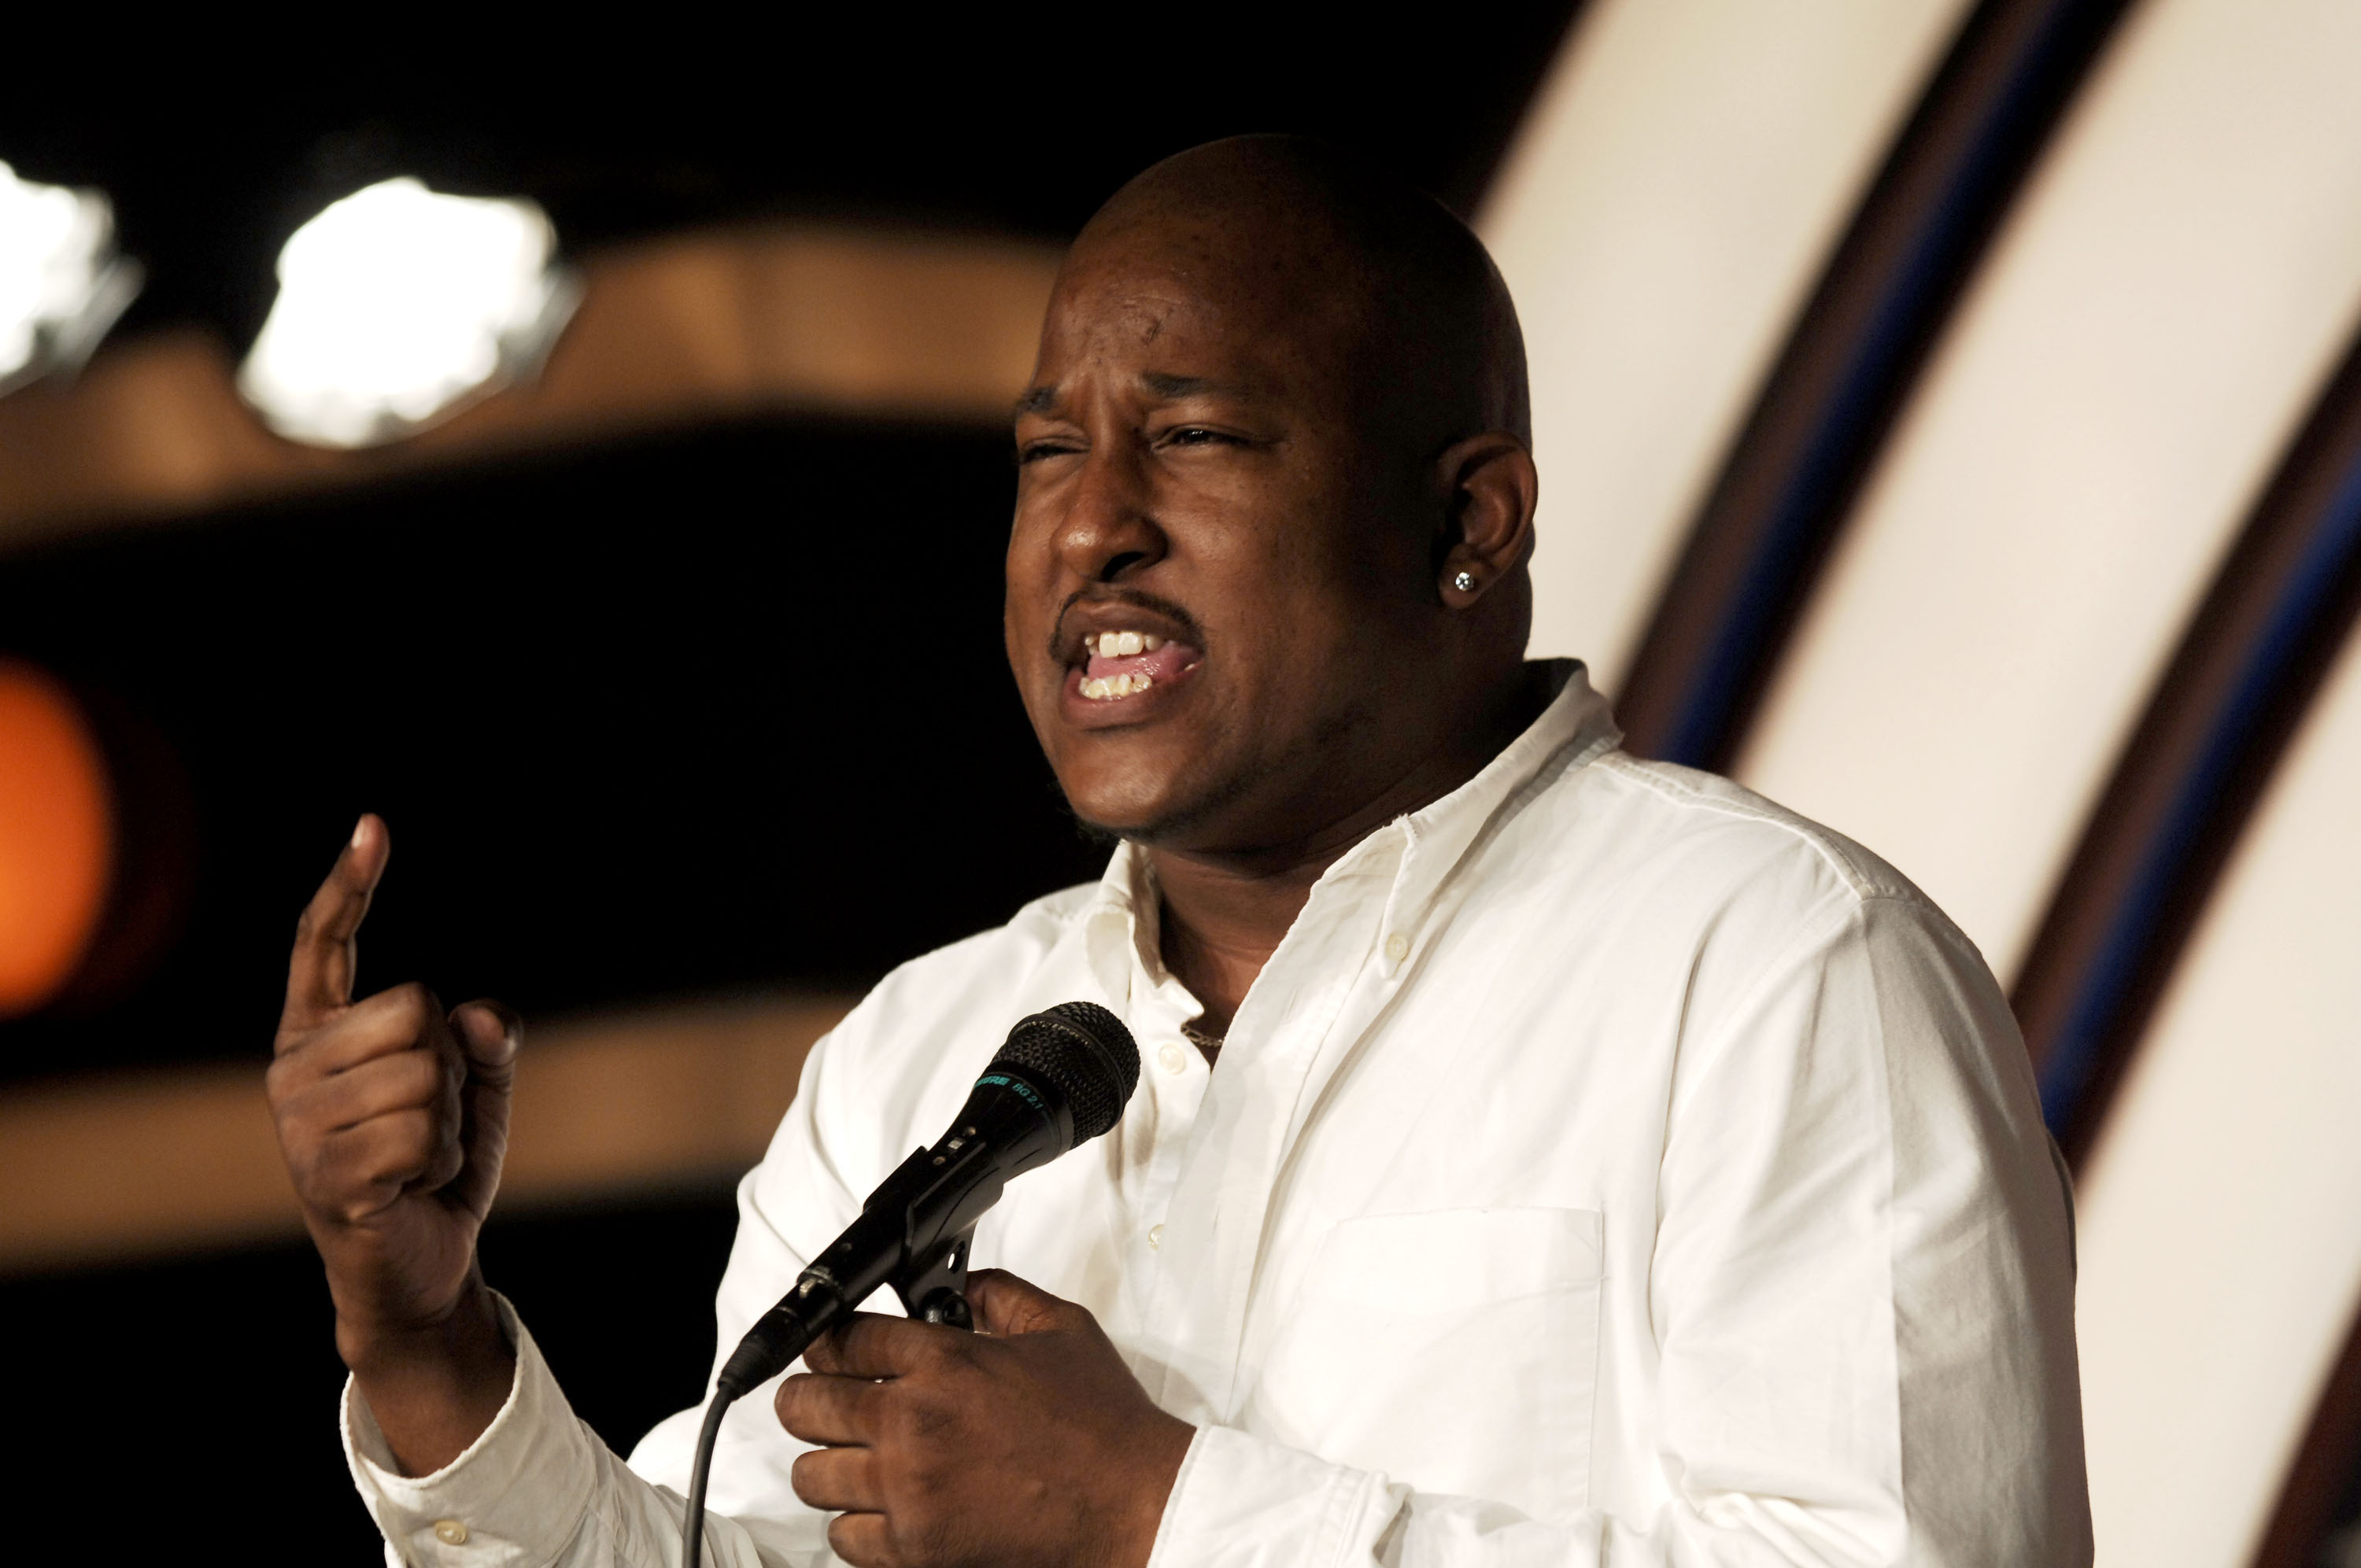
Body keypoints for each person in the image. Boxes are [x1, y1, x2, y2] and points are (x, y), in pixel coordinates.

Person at [267, 136, 2090, 1567]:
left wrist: (1155, 1513)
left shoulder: (1774, 967)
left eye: (1196, 436)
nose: (1091, 529)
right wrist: (427, 1347)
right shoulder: (918, 1053)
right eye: (1046, 453)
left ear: (1470, 521)